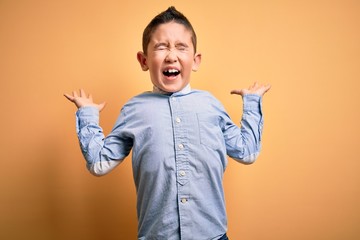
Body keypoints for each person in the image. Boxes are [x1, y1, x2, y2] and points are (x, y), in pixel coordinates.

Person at [64, 6, 270, 240]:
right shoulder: (134, 109)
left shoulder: (211, 105)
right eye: (161, 47)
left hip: (212, 236)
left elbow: (247, 152)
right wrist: (88, 116)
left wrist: (252, 104)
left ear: (195, 60)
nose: (171, 55)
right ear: (143, 60)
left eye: (181, 47)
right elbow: (99, 163)